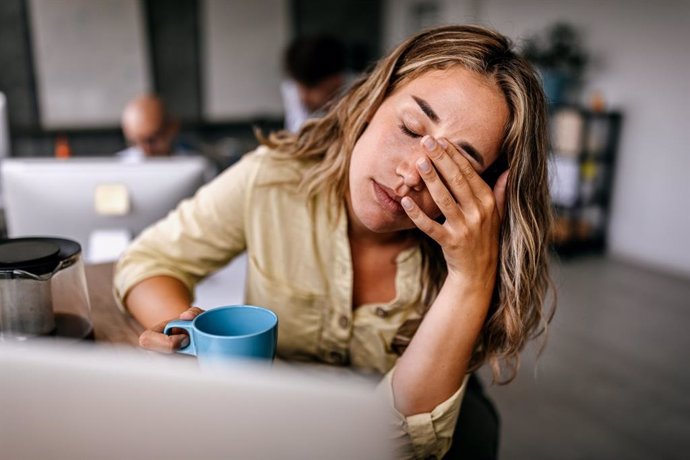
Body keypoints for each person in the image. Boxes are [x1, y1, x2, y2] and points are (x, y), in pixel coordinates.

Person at [114, 25, 554, 459]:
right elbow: (148, 261)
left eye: (454, 166)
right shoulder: (274, 178)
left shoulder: (474, 257)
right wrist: (195, 345)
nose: (410, 175)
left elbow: (401, 444)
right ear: (371, 102)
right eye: (410, 127)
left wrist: (470, 277)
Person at [281, 34, 349, 132]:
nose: (304, 96)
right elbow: (296, 134)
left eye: (310, 88)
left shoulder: (357, 93)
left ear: (336, 80)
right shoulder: (292, 89)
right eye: (300, 86)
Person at [117, 94, 191, 160]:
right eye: (135, 142)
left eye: (151, 140)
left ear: (172, 129)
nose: (145, 151)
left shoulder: (193, 162)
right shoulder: (117, 166)